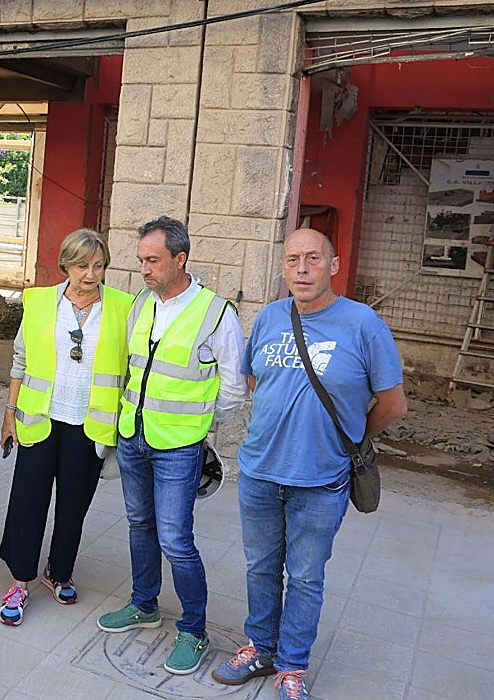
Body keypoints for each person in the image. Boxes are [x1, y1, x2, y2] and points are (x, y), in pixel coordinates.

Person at [212, 229, 406, 700]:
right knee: (260, 566)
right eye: (293, 259)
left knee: (304, 576)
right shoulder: (270, 318)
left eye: (313, 258)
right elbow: (256, 380)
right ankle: (260, 647)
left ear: (333, 265)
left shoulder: (363, 324)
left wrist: (349, 440)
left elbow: (392, 403)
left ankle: (292, 666)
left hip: (321, 480)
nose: (302, 268)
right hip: (259, 471)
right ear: (282, 268)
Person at [97, 215, 245, 677]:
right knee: (140, 523)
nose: (144, 268)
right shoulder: (142, 304)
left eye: (153, 260)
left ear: (181, 259)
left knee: (177, 540)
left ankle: (193, 630)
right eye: (141, 259)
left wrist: (197, 424)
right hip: (133, 435)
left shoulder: (217, 313)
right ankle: (144, 604)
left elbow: (235, 388)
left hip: (179, 445)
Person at [0, 229, 131, 626]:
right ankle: (20, 580)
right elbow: (20, 360)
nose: (90, 274)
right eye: (81, 265)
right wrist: (9, 412)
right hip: (40, 417)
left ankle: (59, 571)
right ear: (65, 265)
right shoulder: (38, 301)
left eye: (98, 265)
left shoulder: (125, 307)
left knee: (74, 504)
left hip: (91, 423)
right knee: (28, 500)